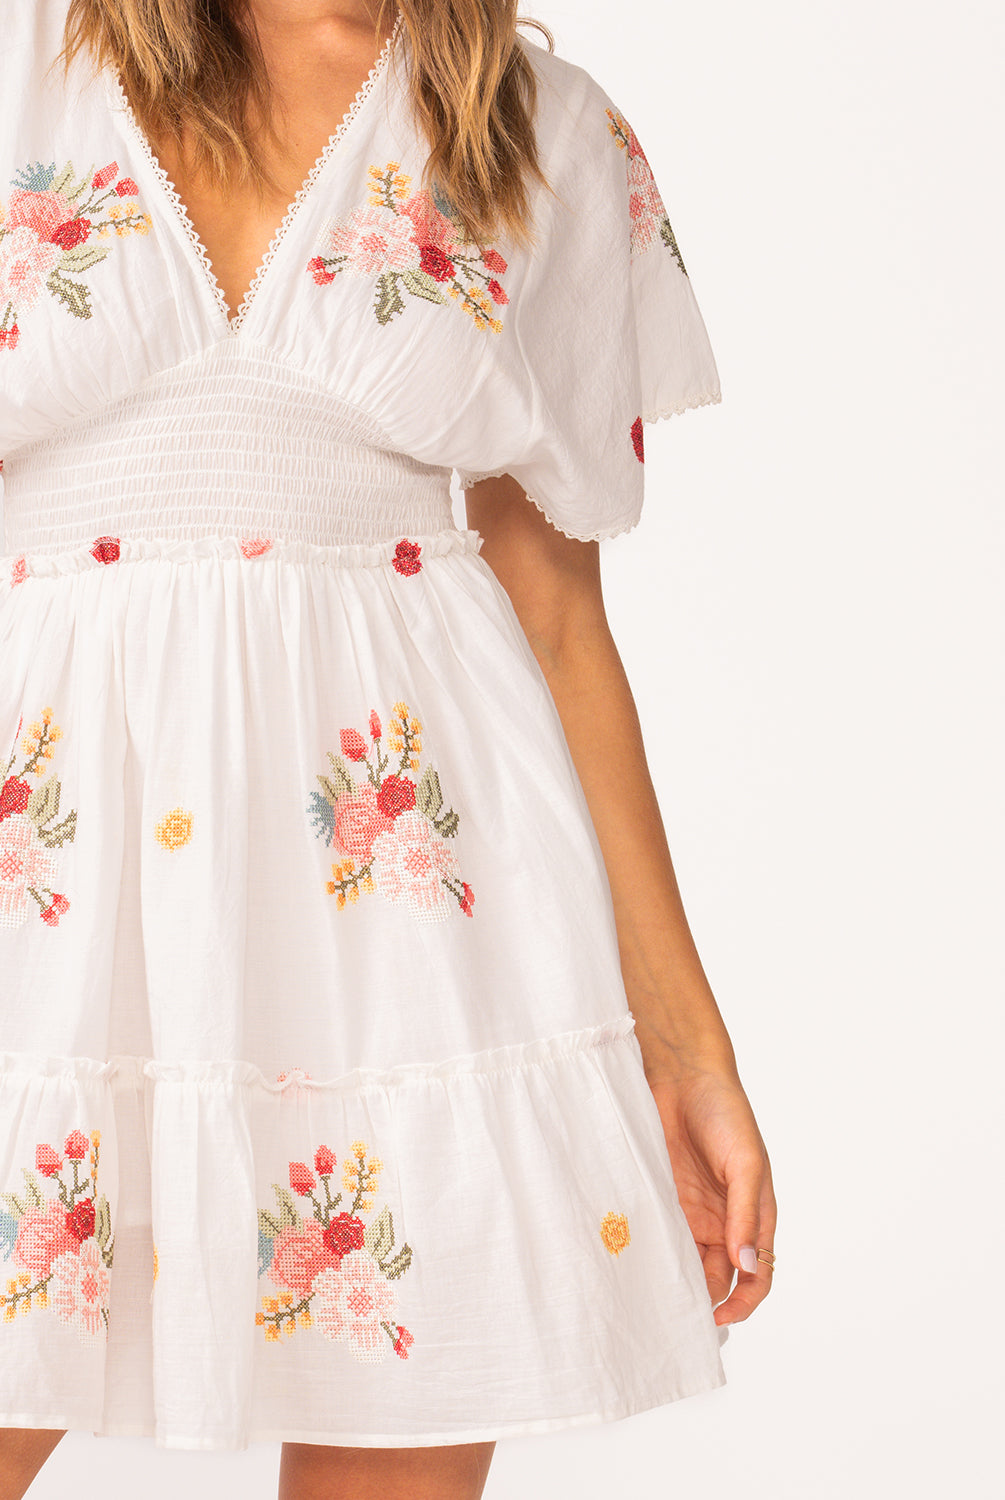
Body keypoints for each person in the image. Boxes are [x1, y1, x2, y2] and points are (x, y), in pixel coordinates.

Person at [0, 0, 776, 1495]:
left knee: (404, 1420)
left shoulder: (537, 131)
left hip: (397, 872)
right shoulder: (30, 53)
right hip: (52, 843)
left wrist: (683, 1045)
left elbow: (556, 618)